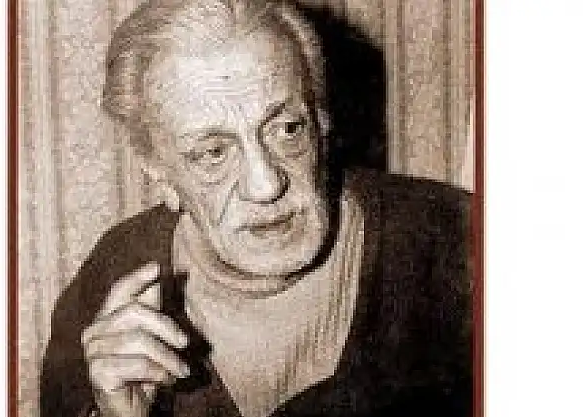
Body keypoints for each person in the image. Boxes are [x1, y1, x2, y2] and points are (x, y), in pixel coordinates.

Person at [40, 1, 472, 416]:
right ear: (159, 172)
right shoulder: (112, 280)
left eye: (287, 129)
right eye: (213, 153)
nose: (266, 186)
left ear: (322, 121)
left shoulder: (460, 243)